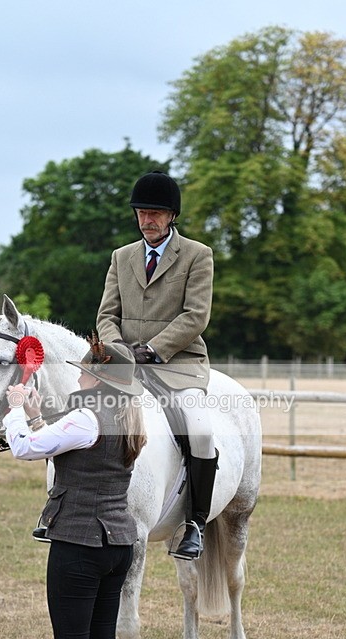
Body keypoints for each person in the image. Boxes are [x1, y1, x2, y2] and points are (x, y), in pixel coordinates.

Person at [3, 339, 146, 639]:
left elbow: (25, 448)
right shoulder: (127, 416)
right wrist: (36, 416)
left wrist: (13, 409)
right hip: (117, 541)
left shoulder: (86, 416)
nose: (80, 377)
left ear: (99, 380)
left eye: (86, 372)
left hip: (79, 543)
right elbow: (66, 444)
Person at [96, 170, 218, 560]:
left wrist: (152, 349)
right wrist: (117, 350)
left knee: (198, 429)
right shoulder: (121, 257)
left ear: (171, 216)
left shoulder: (198, 256)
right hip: (124, 362)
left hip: (177, 362)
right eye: (142, 212)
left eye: (156, 213)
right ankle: (63, 505)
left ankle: (195, 522)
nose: (147, 220)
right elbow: (106, 316)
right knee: (79, 411)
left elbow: (195, 316)